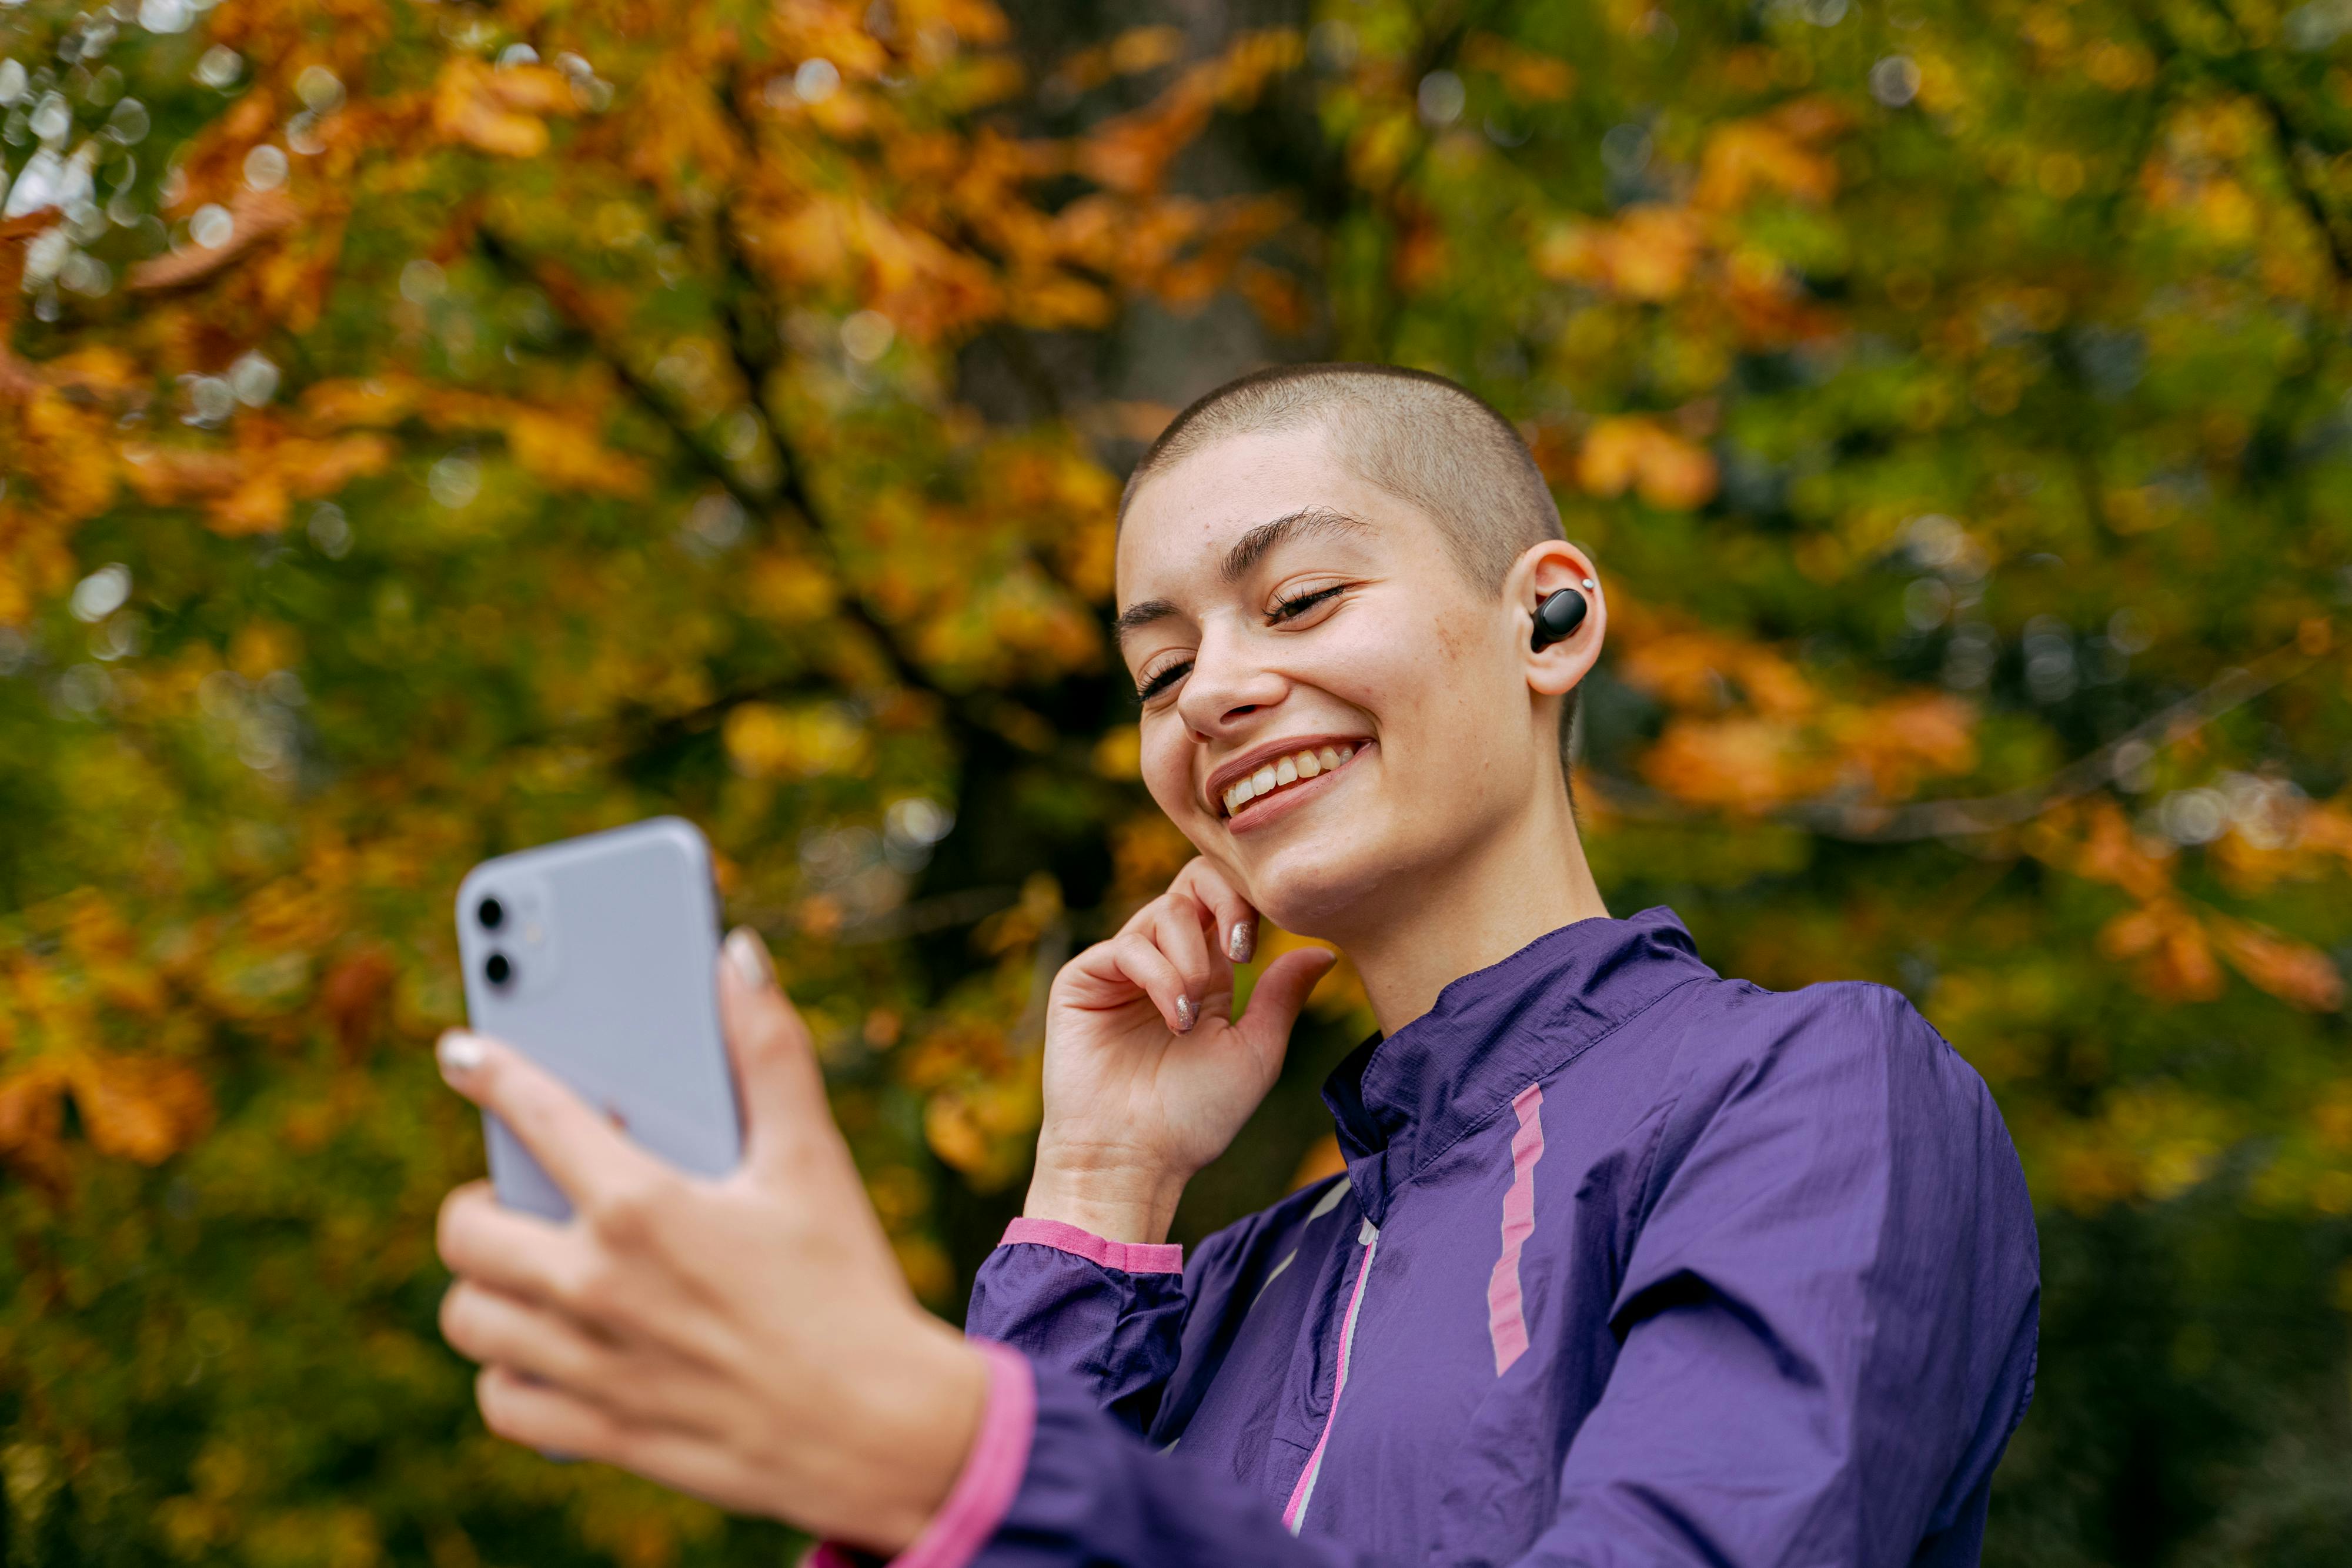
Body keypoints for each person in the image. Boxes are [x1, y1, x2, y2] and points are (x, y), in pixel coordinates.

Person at [432, 363, 2040, 1566]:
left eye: (1300, 599)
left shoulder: (1813, 1091)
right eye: (1159, 665)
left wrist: (957, 1452)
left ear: (1547, 622)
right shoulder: (1230, 1282)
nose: (1214, 690)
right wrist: (1096, 1191)